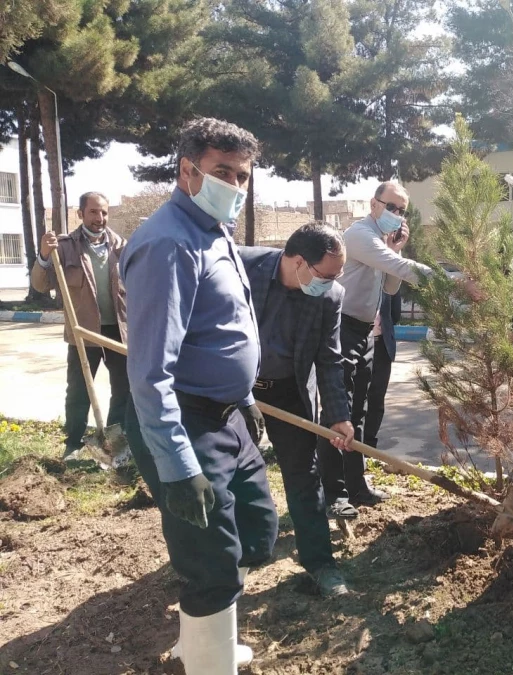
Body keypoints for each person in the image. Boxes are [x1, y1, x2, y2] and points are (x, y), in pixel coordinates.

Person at [120, 118, 279, 673]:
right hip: (185, 421)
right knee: (211, 562)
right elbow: (149, 373)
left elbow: (221, 329)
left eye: (242, 176)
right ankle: (209, 661)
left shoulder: (214, 230)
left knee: (257, 533)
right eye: (222, 172)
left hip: (226, 416)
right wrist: (177, 464)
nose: (234, 185)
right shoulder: (168, 244)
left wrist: (246, 399)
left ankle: (204, 642)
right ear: (188, 171)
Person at [317, 181, 480, 519]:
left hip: (364, 332)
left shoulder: (380, 242)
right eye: (390, 206)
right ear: (373, 204)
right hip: (340, 328)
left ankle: (356, 486)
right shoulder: (360, 235)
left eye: (401, 210)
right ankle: (332, 493)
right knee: (338, 413)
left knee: (359, 412)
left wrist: (396, 250)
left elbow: (391, 287)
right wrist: (454, 281)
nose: (395, 214)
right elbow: (402, 271)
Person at [239, 224, 355, 597]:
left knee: (304, 476)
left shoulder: (329, 296)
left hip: (289, 393)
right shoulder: (241, 266)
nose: (333, 283)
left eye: (337, 275)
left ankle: (320, 564)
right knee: (230, 474)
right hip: (236, 390)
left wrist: (339, 415)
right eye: (327, 275)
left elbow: (329, 358)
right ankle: (233, 558)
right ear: (299, 262)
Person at [31, 192, 129, 456]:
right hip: (83, 331)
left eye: (104, 212)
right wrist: (44, 255)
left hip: (118, 331)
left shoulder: (121, 246)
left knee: (124, 389)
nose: (100, 218)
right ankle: (73, 444)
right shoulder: (64, 247)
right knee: (78, 391)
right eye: (94, 212)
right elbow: (40, 284)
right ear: (81, 214)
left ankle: (115, 445)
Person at [350, 290, 402, 450]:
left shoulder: (389, 280)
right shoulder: (354, 280)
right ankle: (352, 445)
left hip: (381, 346)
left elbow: (395, 314)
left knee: (377, 398)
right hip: (356, 343)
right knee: (356, 396)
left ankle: (369, 447)